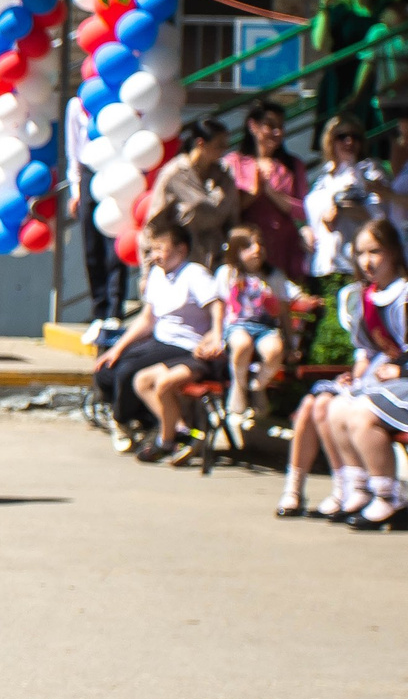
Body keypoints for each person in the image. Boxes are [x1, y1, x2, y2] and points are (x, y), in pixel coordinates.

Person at [279, 221, 408, 523]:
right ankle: (356, 488)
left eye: (375, 251)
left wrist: (399, 366)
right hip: (383, 376)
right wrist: (356, 373)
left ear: (393, 253)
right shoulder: (363, 296)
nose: (368, 261)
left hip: (402, 379)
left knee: (360, 413)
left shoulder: (404, 294)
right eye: (361, 253)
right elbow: (368, 351)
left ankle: (387, 495)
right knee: (335, 407)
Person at [92, 208, 227, 464]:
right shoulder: (156, 275)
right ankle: (161, 426)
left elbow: (216, 304)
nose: (155, 256)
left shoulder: (194, 273)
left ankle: (127, 422)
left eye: (160, 249)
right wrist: (116, 349)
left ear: (181, 250)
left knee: (128, 371)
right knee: (108, 368)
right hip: (160, 339)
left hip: (185, 344)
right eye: (152, 250)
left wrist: (216, 335)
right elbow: (147, 319)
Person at [215, 224, 299, 434]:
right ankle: (239, 387)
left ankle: (257, 385)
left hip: (264, 327)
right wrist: (216, 335)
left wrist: (290, 342)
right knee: (242, 345)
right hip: (237, 326)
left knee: (274, 351)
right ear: (236, 251)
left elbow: (283, 310)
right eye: (248, 246)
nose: (257, 249)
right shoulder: (228, 274)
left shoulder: (273, 276)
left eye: (259, 244)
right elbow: (219, 306)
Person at [224, 101, 312, 286]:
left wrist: (272, 193)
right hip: (248, 252)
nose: (277, 133)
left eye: (281, 127)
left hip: (285, 249)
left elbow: (303, 210)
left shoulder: (293, 166)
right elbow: (227, 211)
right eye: (270, 126)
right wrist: (254, 193)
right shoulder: (234, 163)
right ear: (253, 126)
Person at [149, 118, 241, 267]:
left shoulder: (224, 176)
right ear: (201, 143)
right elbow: (154, 224)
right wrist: (149, 270)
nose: (224, 149)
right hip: (184, 261)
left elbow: (233, 219)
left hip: (218, 259)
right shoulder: (175, 175)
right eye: (219, 145)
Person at [306, 119, 388, 277]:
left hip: (353, 266)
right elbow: (314, 219)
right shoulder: (322, 178)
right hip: (322, 267)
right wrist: (307, 231)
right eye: (342, 136)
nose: (349, 141)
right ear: (330, 140)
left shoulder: (369, 172)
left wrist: (343, 209)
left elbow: (378, 217)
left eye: (355, 136)